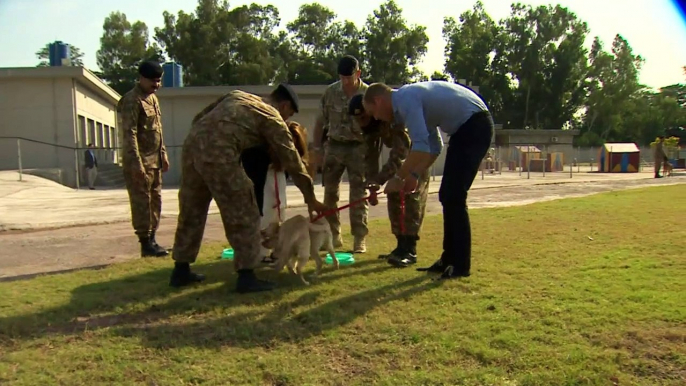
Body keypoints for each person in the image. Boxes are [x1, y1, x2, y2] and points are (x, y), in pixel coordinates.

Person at [169, 84, 328, 293]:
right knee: (244, 207)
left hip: (192, 144)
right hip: (221, 149)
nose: (286, 120)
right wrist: (310, 198)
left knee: (192, 208)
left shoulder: (238, 96)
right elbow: (293, 161)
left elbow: (201, 116)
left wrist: (202, 141)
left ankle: (181, 270)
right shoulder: (272, 117)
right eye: (288, 114)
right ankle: (246, 276)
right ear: (284, 105)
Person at [362, 81, 494, 280]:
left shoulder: (406, 100)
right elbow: (434, 147)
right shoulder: (411, 100)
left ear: (379, 101)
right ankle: (448, 259)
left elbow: (421, 147)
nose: (376, 118)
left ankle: (460, 265)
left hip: (475, 126)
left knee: (455, 196)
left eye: (373, 112)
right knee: (448, 196)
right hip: (464, 130)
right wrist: (414, 175)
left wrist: (399, 177)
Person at [348, 94, 431, 268]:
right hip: (402, 161)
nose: (361, 123)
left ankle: (410, 250)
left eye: (363, 117)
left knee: (411, 200)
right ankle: (400, 247)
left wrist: (382, 179)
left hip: (418, 157)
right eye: (356, 120)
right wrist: (372, 184)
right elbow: (370, 156)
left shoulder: (392, 118)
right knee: (394, 199)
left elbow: (400, 153)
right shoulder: (369, 127)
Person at [311, 55, 370, 253]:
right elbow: (320, 122)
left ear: (358, 74)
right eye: (342, 77)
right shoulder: (331, 92)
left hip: (358, 148)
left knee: (358, 194)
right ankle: (334, 234)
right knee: (330, 193)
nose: (345, 81)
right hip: (334, 147)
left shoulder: (367, 93)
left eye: (349, 77)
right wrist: (317, 150)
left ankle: (359, 238)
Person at [116, 60, 169, 258]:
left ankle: (153, 239)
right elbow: (129, 133)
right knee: (142, 202)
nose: (156, 85)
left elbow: (158, 130)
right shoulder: (132, 100)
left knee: (155, 201)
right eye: (153, 81)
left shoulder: (153, 99)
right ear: (141, 78)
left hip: (154, 161)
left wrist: (163, 154)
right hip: (140, 162)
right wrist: (136, 163)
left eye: (159, 81)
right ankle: (145, 243)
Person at [242, 121, 310, 264]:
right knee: (267, 216)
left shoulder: (280, 168)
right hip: (267, 183)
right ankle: (259, 254)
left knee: (277, 215)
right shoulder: (261, 159)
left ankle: (271, 252)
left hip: (275, 182)